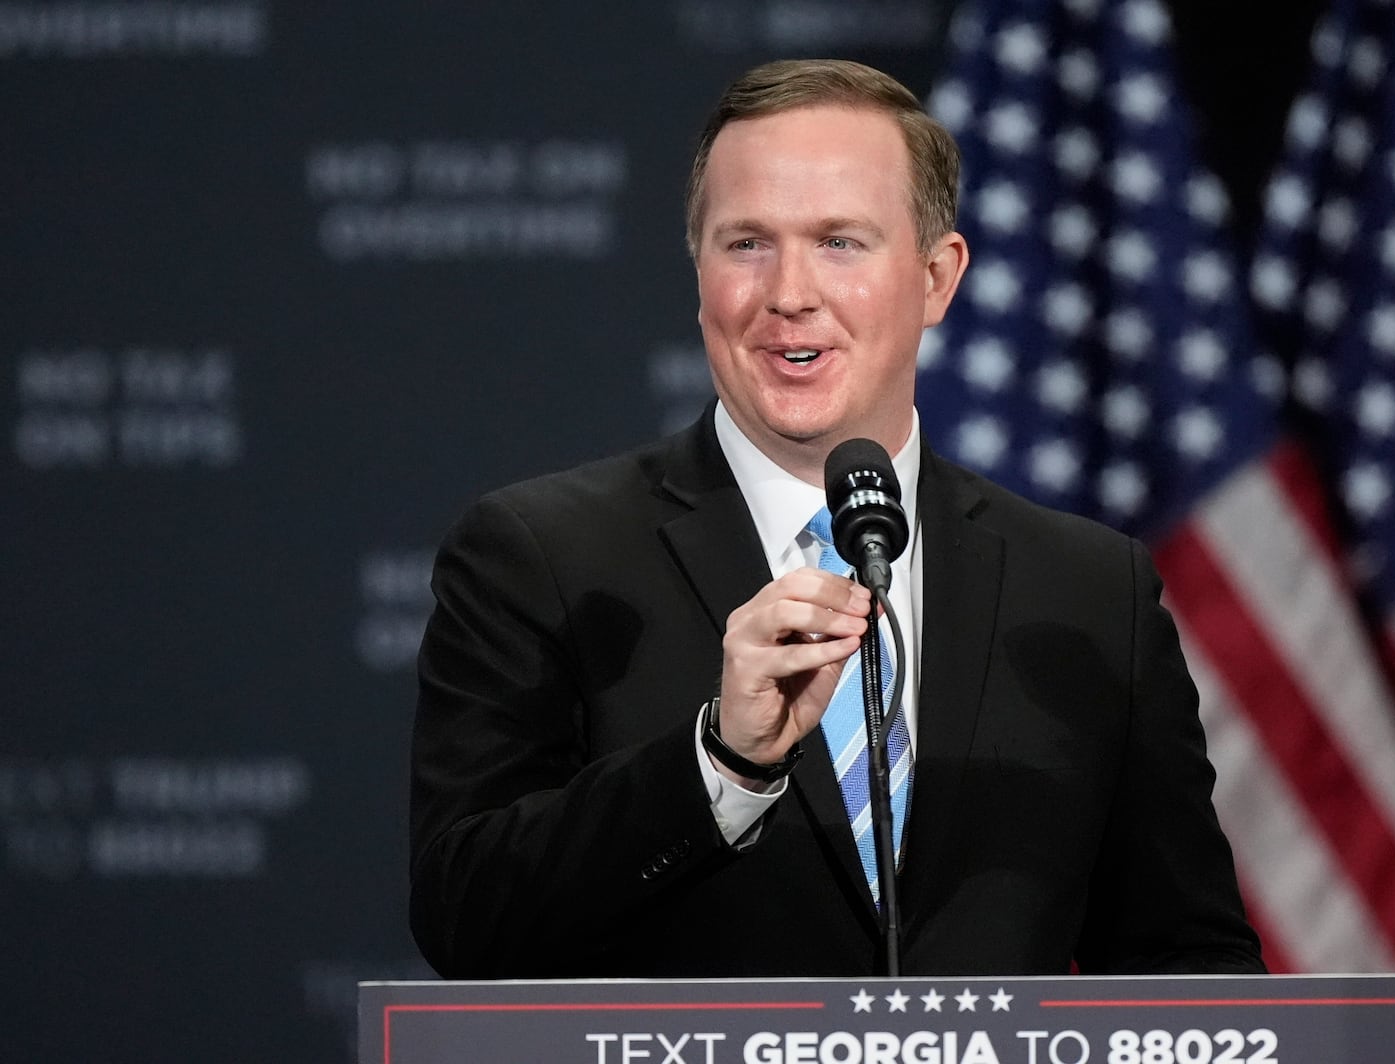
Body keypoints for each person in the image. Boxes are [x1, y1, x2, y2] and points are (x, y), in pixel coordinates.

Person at [409, 59, 1264, 979]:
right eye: (745, 244)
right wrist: (719, 766)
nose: (788, 294)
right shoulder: (541, 557)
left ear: (938, 278)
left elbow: (1190, 968)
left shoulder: (1092, 591)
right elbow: (466, 918)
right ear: (697, 269)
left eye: (840, 242)